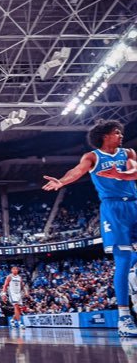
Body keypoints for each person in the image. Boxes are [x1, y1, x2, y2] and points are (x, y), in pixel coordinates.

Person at [42, 119, 137, 337]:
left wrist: (120, 175)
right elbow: (76, 171)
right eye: (116, 132)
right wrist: (62, 182)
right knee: (122, 258)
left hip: (134, 203)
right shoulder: (93, 157)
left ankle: (133, 276)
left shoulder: (128, 153)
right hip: (113, 209)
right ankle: (124, 317)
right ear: (105, 136)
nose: (121, 135)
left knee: (131, 259)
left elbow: (135, 171)